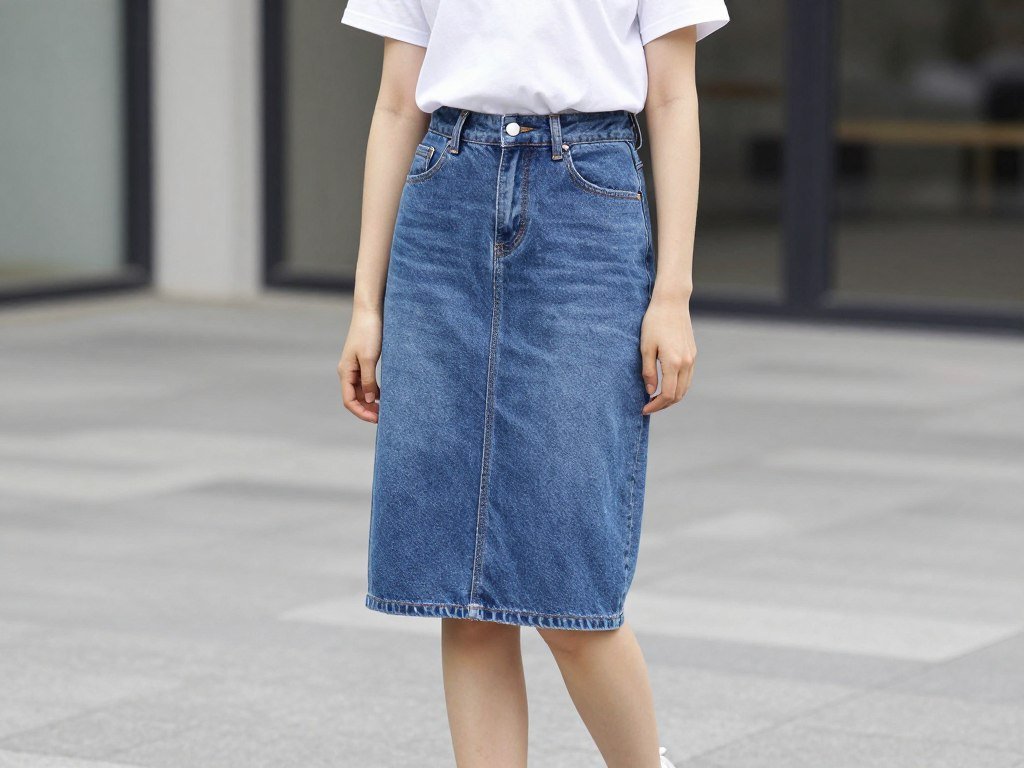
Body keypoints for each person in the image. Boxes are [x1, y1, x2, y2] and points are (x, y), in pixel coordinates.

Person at [337, 2, 729, 765]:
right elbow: (393, 106)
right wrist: (365, 303)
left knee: (569, 576)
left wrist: (672, 294)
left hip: (586, 203)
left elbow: (675, 98)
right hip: (443, 202)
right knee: (464, 585)